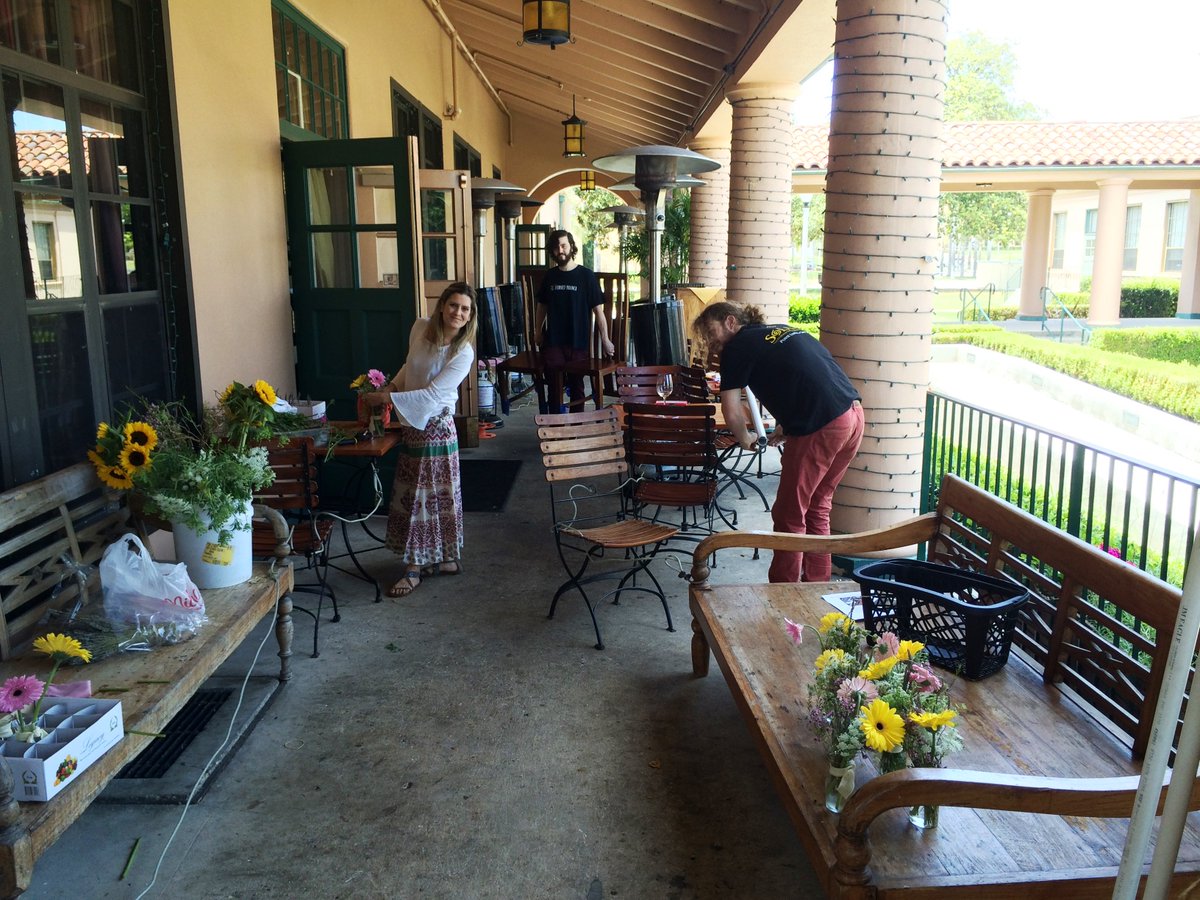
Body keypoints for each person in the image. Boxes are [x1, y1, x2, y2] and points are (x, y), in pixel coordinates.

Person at [694, 301, 864, 584]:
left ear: (730, 322)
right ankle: (817, 586)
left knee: (789, 515)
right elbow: (802, 377)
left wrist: (745, 438)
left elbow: (730, 409)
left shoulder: (736, 346)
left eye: (711, 332)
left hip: (822, 424)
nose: (711, 342)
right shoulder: (780, 330)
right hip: (853, 415)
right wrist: (786, 425)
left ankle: (784, 591)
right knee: (818, 505)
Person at [363, 282, 477, 597]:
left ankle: (414, 569)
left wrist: (385, 398)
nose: (457, 313)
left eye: (465, 309)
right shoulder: (420, 328)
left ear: (470, 316)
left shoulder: (463, 353)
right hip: (413, 427)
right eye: (453, 305)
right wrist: (391, 388)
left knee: (422, 502)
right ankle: (446, 561)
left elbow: (432, 395)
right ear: (442, 306)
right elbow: (408, 365)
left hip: (436, 430)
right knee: (414, 496)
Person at [534, 229, 614, 412]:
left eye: (563, 245)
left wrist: (605, 339)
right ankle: (554, 424)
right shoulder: (550, 276)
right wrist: (538, 331)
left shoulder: (586, 276)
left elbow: (598, 312)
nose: (560, 250)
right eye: (556, 247)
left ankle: (577, 424)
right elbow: (541, 307)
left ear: (571, 247)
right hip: (553, 341)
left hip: (578, 342)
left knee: (577, 385)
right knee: (553, 383)